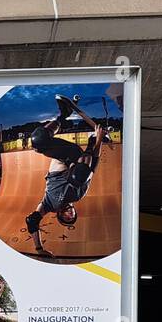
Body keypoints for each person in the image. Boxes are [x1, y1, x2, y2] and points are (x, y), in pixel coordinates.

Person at [24, 95, 107, 256]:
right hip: (78, 159)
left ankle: (64, 114)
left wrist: (39, 249)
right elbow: (93, 165)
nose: (69, 213)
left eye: (67, 217)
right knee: (80, 177)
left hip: (64, 156)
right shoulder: (79, 195)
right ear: (74, 211)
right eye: (72, 215)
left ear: (59, 215)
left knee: (38, 140)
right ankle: (91, 141)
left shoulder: (47, 206)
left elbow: (32, 221)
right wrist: (98, 141)